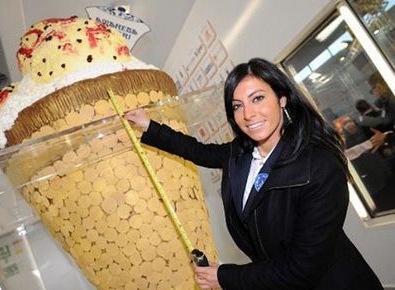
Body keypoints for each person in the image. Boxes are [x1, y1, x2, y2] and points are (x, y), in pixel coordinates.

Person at [125, 58, 383, 289]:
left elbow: (302, 268)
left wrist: (224, 277)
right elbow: (198, 151)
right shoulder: (242, 153)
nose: (248, 114)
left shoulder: (320, 167)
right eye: (237, 106)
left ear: (282, 99)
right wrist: (149, 126)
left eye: (258, 98)